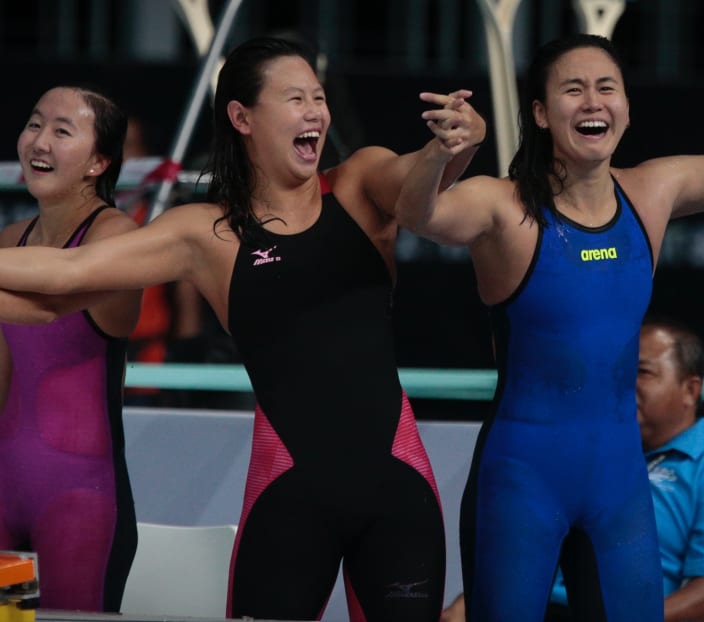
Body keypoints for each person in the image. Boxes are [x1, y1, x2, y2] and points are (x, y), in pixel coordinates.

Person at [0, 37, 485, 622]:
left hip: (397, 491)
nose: (315, 112)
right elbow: (69, 270)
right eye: (295, 98)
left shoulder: (359, 183)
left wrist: (449, 149)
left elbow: (417, 197)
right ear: (242, 117)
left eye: (319, 97)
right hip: (288, 499)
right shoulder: (208, 233)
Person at [395, 8, 704, 622]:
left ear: (625, 107)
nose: (592, 101)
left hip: (617, 481)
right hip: (522, 477)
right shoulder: (503, 207)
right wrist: (440, 155)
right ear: (541, 114)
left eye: (606, 88)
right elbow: (420, 216)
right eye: (572, 89)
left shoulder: (651, 191)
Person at [440, 318, 704, 622]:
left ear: (690, 390)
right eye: (617, 370)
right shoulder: (583, 464)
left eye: (642, 372)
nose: (621, 383)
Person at [0, 85, 141, 611]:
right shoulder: (11, 238)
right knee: (5, 620)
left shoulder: (115, 240)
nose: (40, 141)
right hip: (4, 489)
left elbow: (48, 302)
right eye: (35, 124)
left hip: (81, 501)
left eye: (62, 131)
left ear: (98, 161)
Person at [120, 114, 206, 407]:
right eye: (110, 148)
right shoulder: (83, 219)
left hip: (149, 373)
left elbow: (186, 297)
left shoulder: (165, 220)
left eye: (128, 147)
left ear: (146, 156)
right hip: (92, 366)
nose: (119, 158)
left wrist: (185, 368)